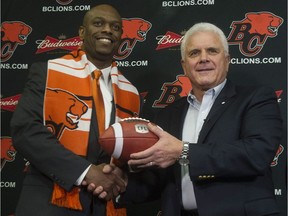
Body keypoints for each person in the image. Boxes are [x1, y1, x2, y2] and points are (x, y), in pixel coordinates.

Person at [115, 22, 283, 216]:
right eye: (194, 53)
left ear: (227, 60)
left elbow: (257, 154)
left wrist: (184, 151)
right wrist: (122, 183)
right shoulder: (169, 113)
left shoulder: (256, 98)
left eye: (212, 51)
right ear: (184, 66)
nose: (203, 58)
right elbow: (160, 181)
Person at [10, 4, 140, 216]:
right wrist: (85, 172)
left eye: (115, 27)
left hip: (104, 205)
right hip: (50, 202)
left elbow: (129, 151)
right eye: (98, 23)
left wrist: (119, 174)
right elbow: (25, 131)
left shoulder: (130, 92)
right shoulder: (48, 72)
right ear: (82, 32)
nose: (107, 30)